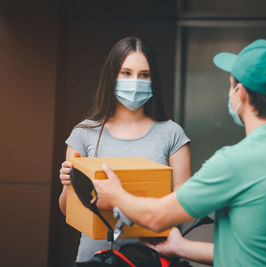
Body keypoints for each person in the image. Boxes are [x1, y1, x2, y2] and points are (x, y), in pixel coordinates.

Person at [92, 39, 266, 266]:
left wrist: (116, 196)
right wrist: (181, 247)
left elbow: (157, 218)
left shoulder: (235, 162)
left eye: (230, 84)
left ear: (239, 93)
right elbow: (265, 252)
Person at [58, 36, 191, 262]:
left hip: (154, 259)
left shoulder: (172, 133)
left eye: (144, 75)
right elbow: (67, 209)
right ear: (112, 76)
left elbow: (186, 204)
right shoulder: (83, 133)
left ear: (153, 81)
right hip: (94, 259)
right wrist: (68, 185)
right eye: (126, 73)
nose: (135, 81)